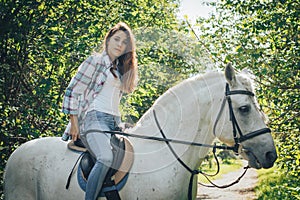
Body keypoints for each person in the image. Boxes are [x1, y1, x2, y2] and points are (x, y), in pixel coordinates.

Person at [61, 22, 138, 200]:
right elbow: (73, 91)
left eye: (125, 42)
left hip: (114, 123)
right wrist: (74, 123)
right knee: (105, 158)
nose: (120, 44)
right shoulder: (95, 61)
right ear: (108, 40)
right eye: (117, 39)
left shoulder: (119, 69)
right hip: (94, 119)